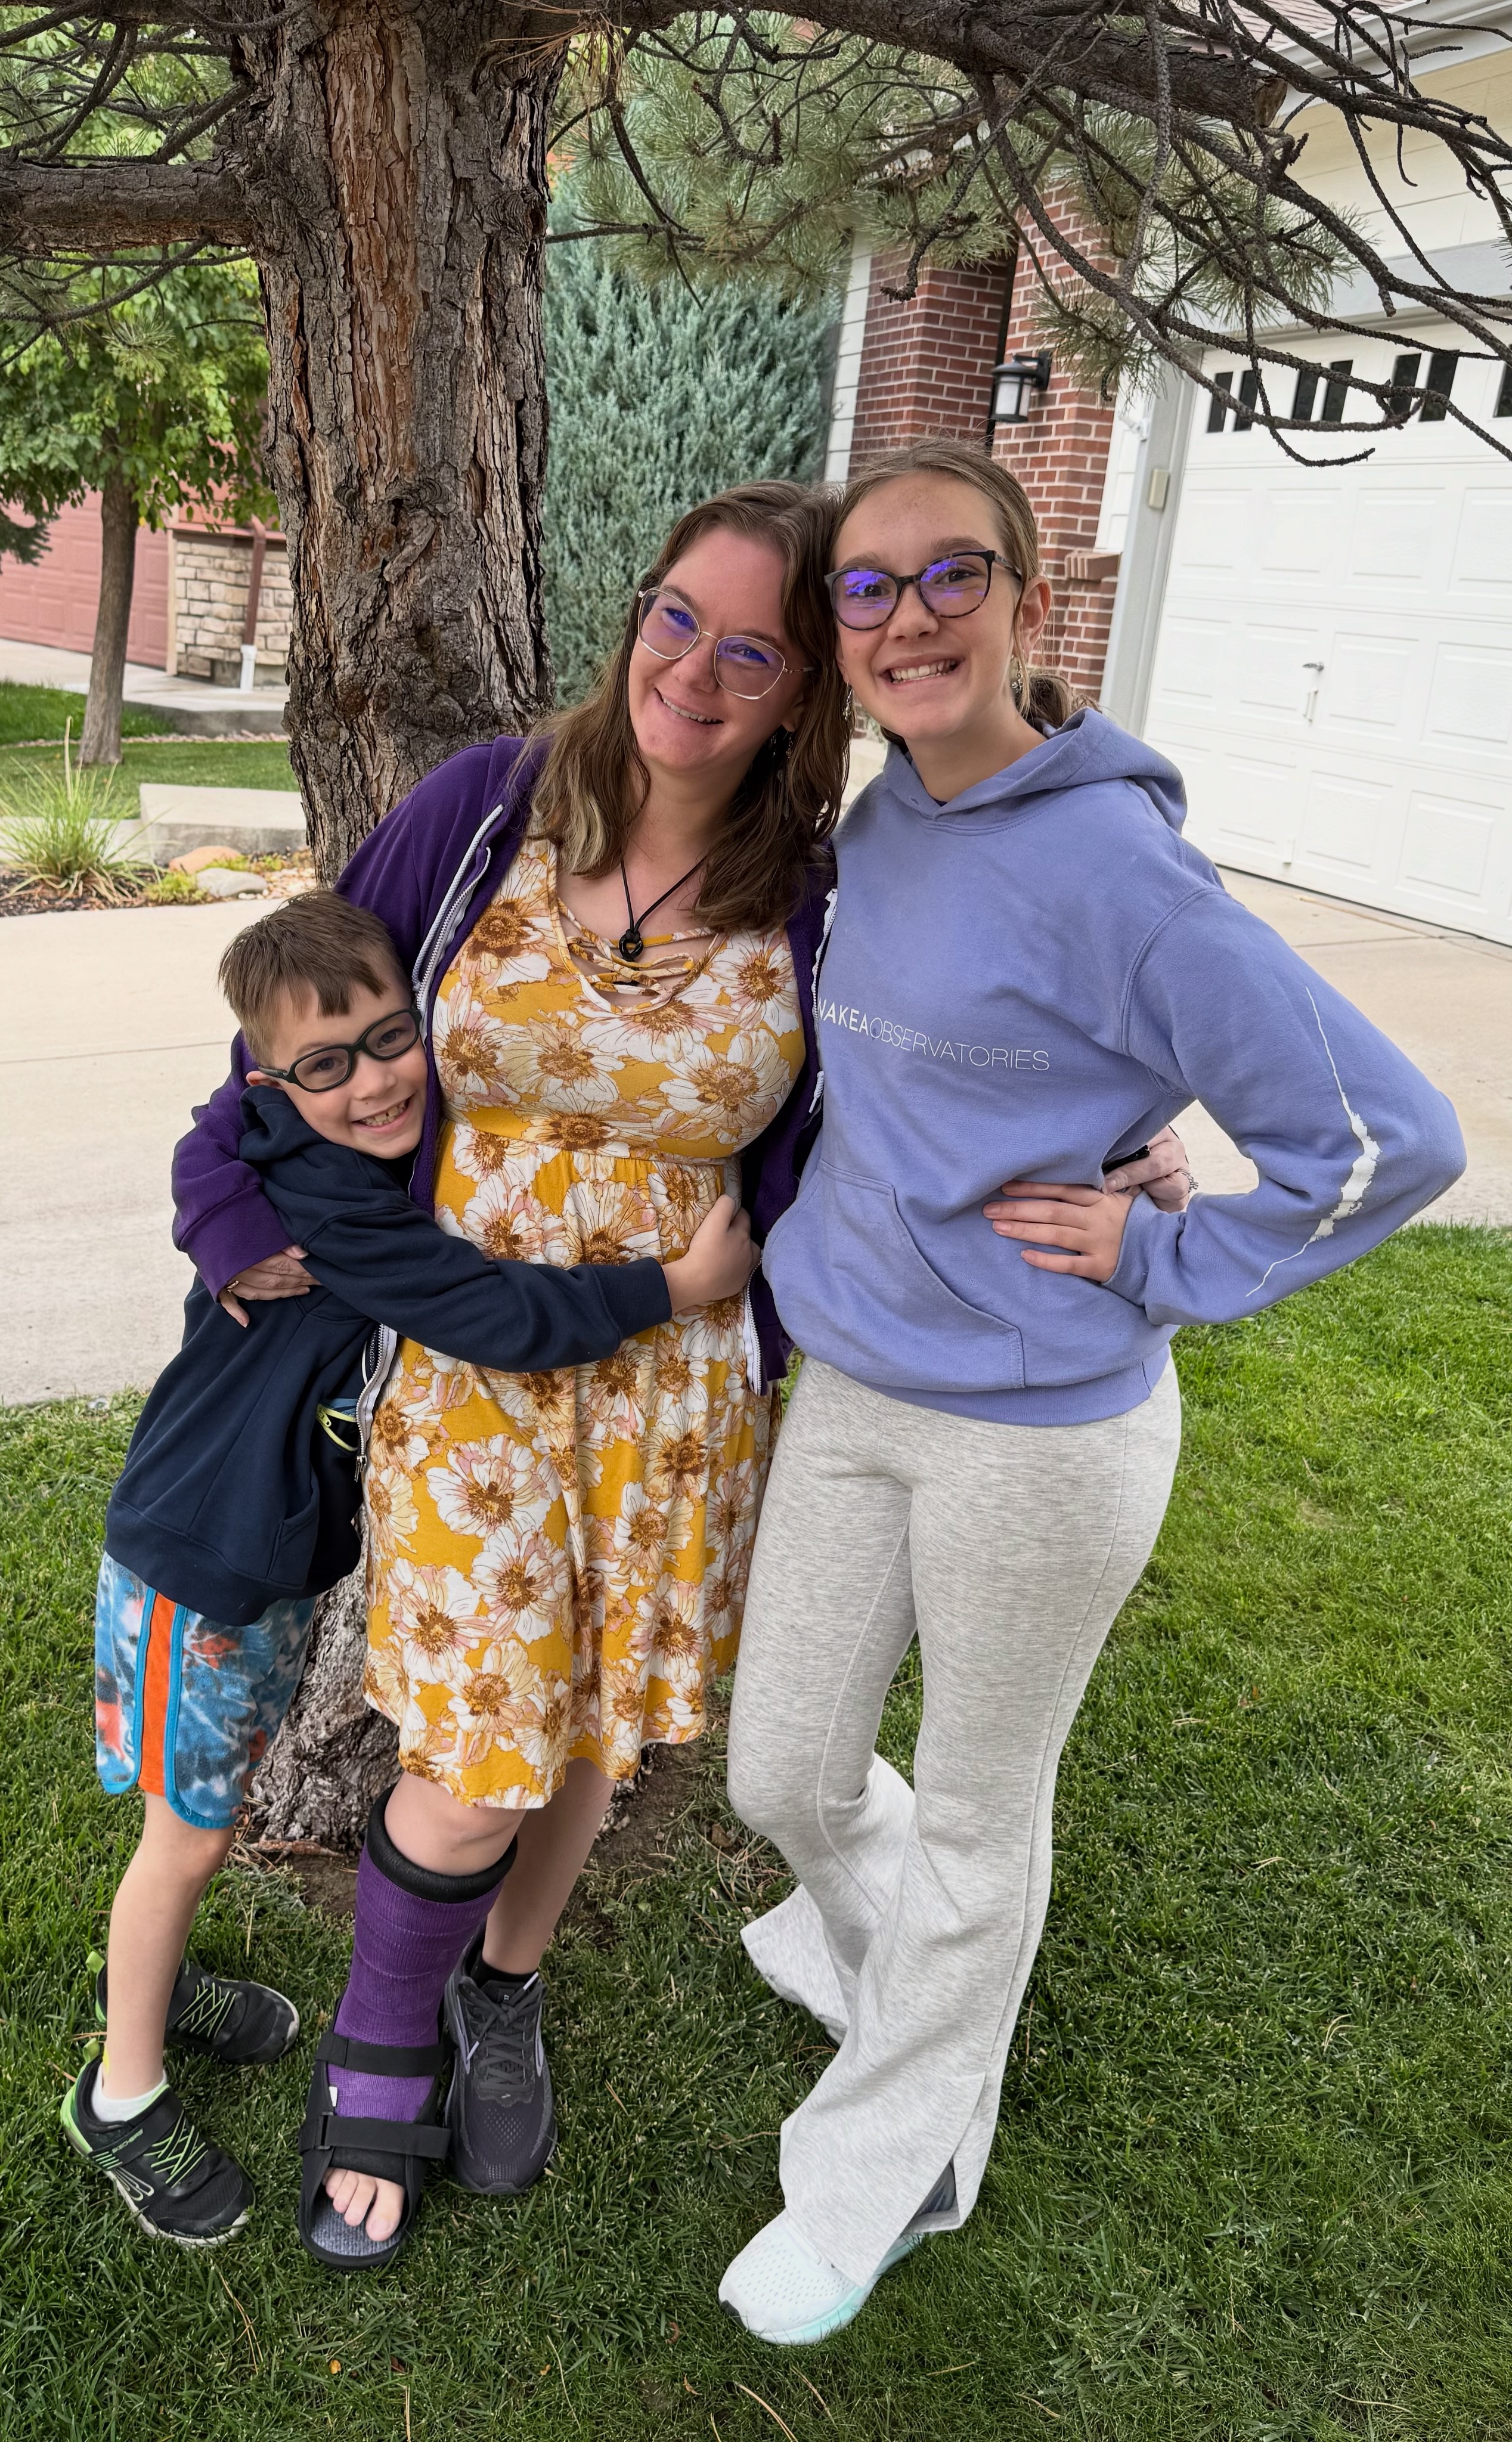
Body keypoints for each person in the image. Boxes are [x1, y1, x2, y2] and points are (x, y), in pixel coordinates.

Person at [173, 480, 1181, 2270]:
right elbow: (300, 1028)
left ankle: (504, 1987)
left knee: (591, 1725)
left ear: (805, 694)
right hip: (471, 1369)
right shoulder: (484, 810)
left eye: (753, 653)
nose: (695, 673)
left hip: (681, 1386)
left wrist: (1117, 1142)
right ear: (635, 613)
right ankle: (375, 2050)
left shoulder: (825, 890)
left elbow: (953, 1059)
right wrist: (220, 1200)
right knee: (475, 1751)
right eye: (675, 620)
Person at [715, 436, 1468, 2345]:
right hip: (855, 1384)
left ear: (1034, 599)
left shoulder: (1128, 876)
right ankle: (909, 1989)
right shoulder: (890, 817)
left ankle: (892, 2171)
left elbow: (1392, 1140)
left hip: (1042, 1431)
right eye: (866, 588)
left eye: (951, 574)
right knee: (784, 1770)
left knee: (981, 1818)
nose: (908, 618)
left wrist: (1161, 1254)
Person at [64, 891, 755, 2249]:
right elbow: (487, 1309)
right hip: (194, 1560)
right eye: (327, 1063)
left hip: (263, 1560)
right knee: (185, 1835)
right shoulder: (328, 1201)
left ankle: (161, 1990)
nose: (375, 1080)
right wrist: (671, 1290)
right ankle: (121, 2090)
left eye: (392, 1040)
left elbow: (223, 1128)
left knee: (200, 1820)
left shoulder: (330, 1146)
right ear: (275, 1080)